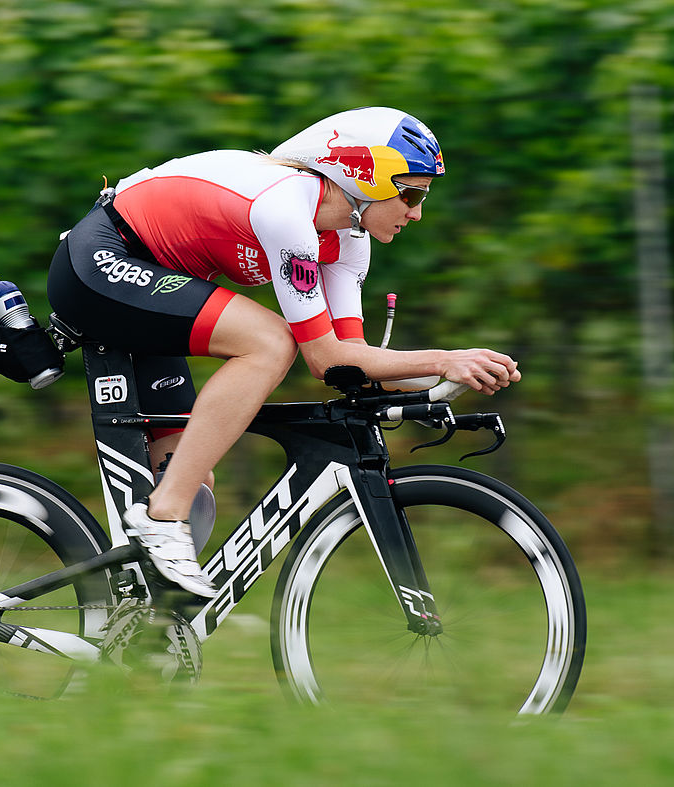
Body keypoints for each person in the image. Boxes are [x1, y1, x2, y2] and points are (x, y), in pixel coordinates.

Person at [47, 107, 520, 597]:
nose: (417, 212)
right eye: (410, 193)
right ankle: (161, 517)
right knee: (270, 343)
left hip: (153, 286)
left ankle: (143, 623)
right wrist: (442, 358)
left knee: (191, 476)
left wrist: (446, 382)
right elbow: (320, 355)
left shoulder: (348, 240)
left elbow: (346, 360)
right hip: (102, 262)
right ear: (364, 174)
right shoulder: (287, 210)